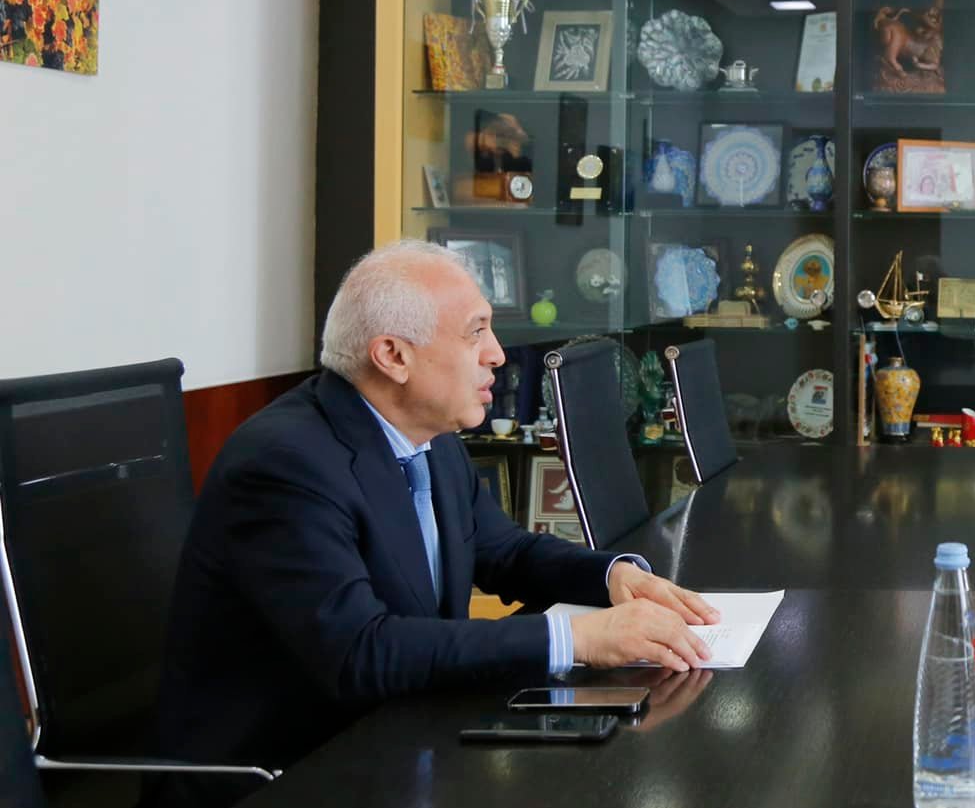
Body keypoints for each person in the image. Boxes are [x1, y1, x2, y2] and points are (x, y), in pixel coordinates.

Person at [155, 240, 720, 780]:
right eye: (476, 331)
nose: (497, 354)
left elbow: (502, 551)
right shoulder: (284, 463)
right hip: (281, 786)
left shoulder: (428, 437)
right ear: (393, 356)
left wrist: (611, 576)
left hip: (402, 740)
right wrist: (576, 638)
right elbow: (358, 653)